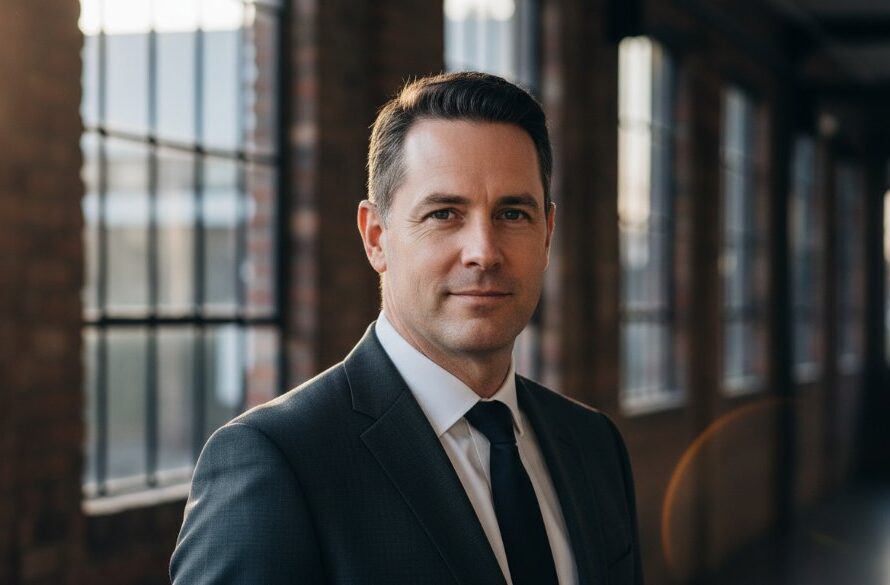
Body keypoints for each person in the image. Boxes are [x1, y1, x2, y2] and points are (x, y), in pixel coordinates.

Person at [170, 71, 643, 585]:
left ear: (547, 235)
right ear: (376, 237)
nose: (483, 251)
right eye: (444, 213)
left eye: (512, 213)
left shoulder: (593, 444)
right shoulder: (277, 462)